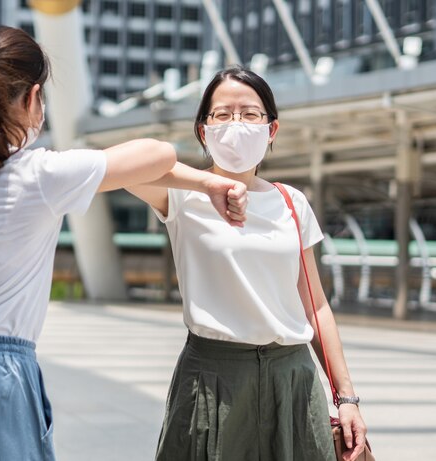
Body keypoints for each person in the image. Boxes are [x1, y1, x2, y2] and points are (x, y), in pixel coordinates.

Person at [0, 26, 248, 461]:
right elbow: (157, 154)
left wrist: (206, 181)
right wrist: (209, 180)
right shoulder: (40, 175)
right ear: (32, 98)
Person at [127, 67, 368, 461]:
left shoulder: (292, 202)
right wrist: (207, 184)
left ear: (271, 129)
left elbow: (315, 305)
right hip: (213, 377)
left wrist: (347, 397)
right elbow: (119, 164)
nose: (236, 123)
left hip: (292, 377)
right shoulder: (181, 196)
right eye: (221, 114)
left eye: (250, 113)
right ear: (203, 130)